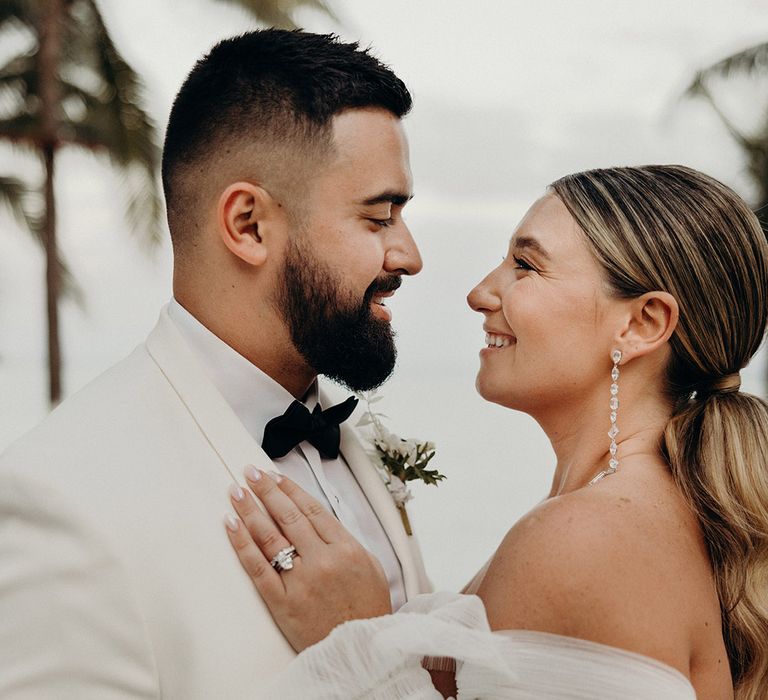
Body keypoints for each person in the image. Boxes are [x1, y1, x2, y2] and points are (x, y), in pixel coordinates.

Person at [226, 165, 768, 699]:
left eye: (525, 265)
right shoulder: (651, 510)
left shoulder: (581, 538)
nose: (480, 292)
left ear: (641, 323)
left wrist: (354, 642)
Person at [0, 30, 431, 699]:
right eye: (379, 218)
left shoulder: (348, 444)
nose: (409, 255)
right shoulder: (62, 501)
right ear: (249, 225)